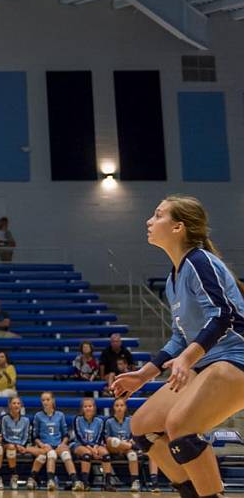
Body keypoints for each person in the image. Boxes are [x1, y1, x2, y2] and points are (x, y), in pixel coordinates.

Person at [114, 195, 244, 498]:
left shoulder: (200, 261)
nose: (149, 221)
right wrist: (144, 374)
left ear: (178, 227)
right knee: (143, 428)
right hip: (206, 364)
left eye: (157, 215)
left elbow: (224, 315)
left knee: (181, 427)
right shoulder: (174, 277)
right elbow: (180, 337)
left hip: (235, 359)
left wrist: (187, 358)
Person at [30, 391, 79, 490]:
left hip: (58, 444)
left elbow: (66, 434)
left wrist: (62, 444)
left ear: (53, 401)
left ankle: (75, 481)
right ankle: (51, 481)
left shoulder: (60, 415)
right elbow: (35, 436)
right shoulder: (38, 416)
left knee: (66, 454)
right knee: (51, 454)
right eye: (43, 400)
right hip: (45, 445)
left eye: (47, 400)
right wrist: (42, 445)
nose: (45, 402)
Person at [71, 397, 114, 490]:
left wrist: (95, 447)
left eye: (90, 406)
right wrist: (91, 449)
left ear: (94, 408)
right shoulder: (77, 419)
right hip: (80, 445)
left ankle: (107, 483)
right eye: (85, 406)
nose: (88, 408)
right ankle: (85, 483)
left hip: (96, 445)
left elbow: (100, 437)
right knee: (87, 455)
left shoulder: (100, 421)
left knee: (106, 455)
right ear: (82, 408)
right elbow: (79, 437)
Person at [105, 397, 142, 491]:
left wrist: (130, 441)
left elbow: (134, 435)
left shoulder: (130, 420)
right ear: (113, 408)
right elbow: (106, 439)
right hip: (114, 448)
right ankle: (135, 447)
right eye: (117, 405)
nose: (119, 408)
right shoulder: (109, 421)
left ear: (125, 407)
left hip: (126, 447)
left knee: (133, 455)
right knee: (112, 440)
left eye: (122, 405)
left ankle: (135, 482)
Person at [1, 396, 35, 490]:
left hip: (21, 445)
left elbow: (26, 435)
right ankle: (14, 475)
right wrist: (15, 445)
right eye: (14, 403)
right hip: (8, 444)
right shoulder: (4, 419)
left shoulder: (26, 420)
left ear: (21, 406)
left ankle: (32, 478)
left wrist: (21, 445)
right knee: (11, 447)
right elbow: (3, 435)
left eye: (18, 403)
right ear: (10, 406)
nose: (16, 405)